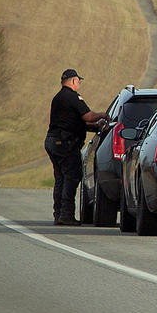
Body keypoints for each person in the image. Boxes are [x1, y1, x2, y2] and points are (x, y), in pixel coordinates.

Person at [44, 69, 109, 225]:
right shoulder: (72, 97)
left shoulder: (59, 97)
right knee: (71, 177)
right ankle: (66, 215)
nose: (79, 84)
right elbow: (88, 116)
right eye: (78, 81)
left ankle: (59, 214)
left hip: (54, 141)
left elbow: (75, 122)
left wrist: (94, 127)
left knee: (60, 178)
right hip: (64, 143)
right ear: (73, 81)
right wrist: (102, 115)